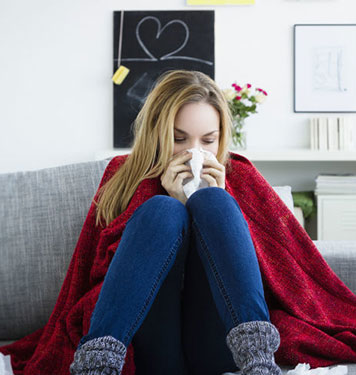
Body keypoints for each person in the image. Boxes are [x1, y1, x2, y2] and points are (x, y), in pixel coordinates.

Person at [69, 69, 282, 375]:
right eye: (178, 139)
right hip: (149, 343)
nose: (193, 151)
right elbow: (96, 269)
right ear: (157, 132)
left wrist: (213, 209)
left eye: (208, 140)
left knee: (216, 202)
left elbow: (276, 268)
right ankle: (97, 367)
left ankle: (259, 364)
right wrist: (175, 209)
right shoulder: (123, 175)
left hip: (218, 341)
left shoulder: (242, 176)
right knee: (162, 210)